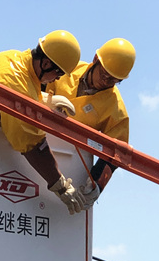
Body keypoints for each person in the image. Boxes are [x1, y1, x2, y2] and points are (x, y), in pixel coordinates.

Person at [0, 31, 86, 214]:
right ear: (46, 63)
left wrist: (47, 100)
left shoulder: (15, 57)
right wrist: (60, 185)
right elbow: (32, 144)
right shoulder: (16, 82)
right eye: (58, 73)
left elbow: (22, 90)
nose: (57, 79)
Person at [45, 37, 136, 208]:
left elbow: (116, 154)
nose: (105, 82)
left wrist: (97, 184)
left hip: (69, 162)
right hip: (35, 140)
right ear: (95, 60)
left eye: (113, 80)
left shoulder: (116, 109)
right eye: (104, 74)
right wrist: (45, 100)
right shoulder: (68, 67)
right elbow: (35, 83)